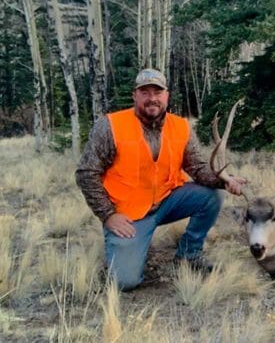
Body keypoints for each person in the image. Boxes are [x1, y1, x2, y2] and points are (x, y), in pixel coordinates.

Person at [76, 68, 245, 291]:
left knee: (211, 197)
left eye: (157, 92)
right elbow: (86, 173)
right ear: (134, 96)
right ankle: (128, 249)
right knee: (125, 281)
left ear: (167, 95)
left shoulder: (181, 126)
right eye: (145, 92)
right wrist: (108, 215)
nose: (152, 98)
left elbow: (198, 167)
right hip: (128, 215)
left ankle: (188, 255)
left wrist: (224, 180)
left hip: (167, 200)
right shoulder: (110, 126)